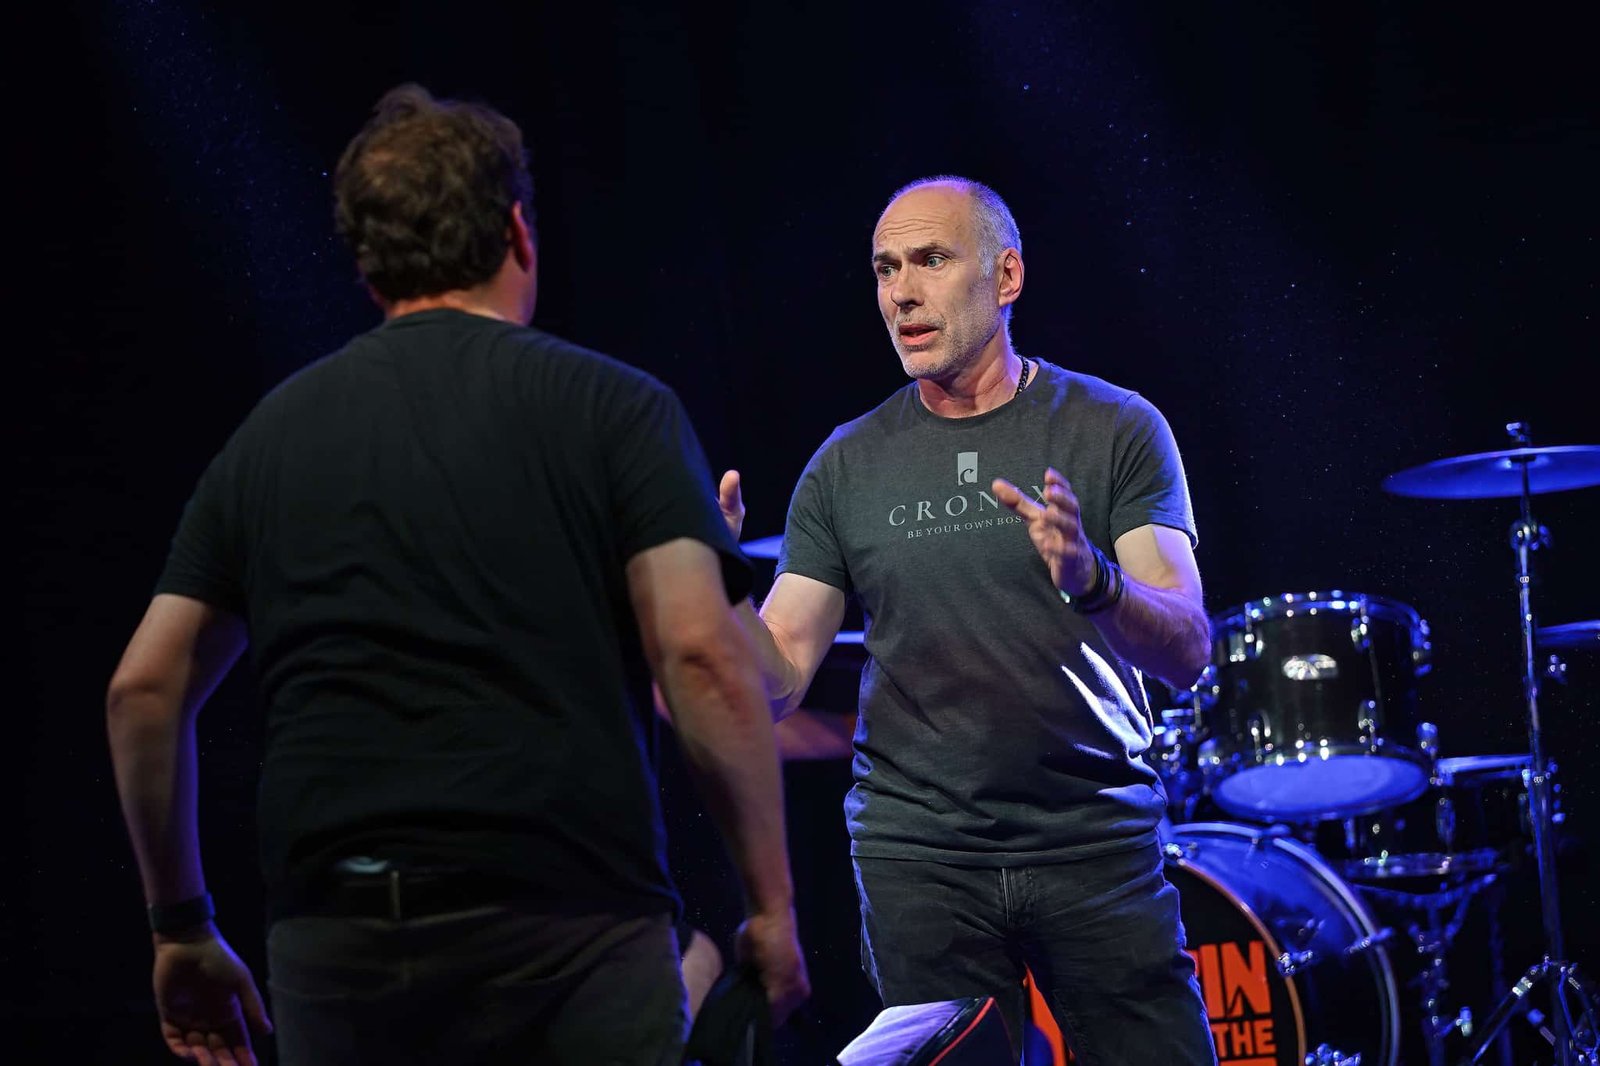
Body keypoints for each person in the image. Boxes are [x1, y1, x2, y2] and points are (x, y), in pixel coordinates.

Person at [104, 83, 807, 1066]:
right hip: (574, 933)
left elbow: (142, 690)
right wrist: (771, 906)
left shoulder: (270, 438)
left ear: (366, 264)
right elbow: (700, 656)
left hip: (342, 946)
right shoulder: (616, 411)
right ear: (518, 230)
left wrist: (180, 927)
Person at [718, 175, 1216, 1064]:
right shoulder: (844, 464)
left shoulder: (1115, 427)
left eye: (931, 260)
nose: (901, 293)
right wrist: (719, 591)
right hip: (921, 854)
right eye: (885, 269)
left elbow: (1187, 648)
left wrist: (1093, 580)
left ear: (1007, 276)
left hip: (1092, 838)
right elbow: (781, 675)